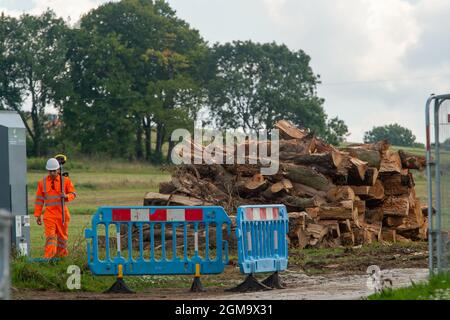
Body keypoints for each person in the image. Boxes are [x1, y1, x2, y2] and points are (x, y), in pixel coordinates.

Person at [34, 157, 77, 258]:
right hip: (49, 216)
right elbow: (39, 200)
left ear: (58, 170)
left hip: (62, 215)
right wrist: (37, 214)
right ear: (48, 171)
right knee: (50, 238)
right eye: (50, 171)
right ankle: (48, 258)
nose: (52, 173)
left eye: (54, 171)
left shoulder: (65, 181)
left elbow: (73, 194)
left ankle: (61, 258)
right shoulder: (42, 183)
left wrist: (66, 196)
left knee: (62, 239)